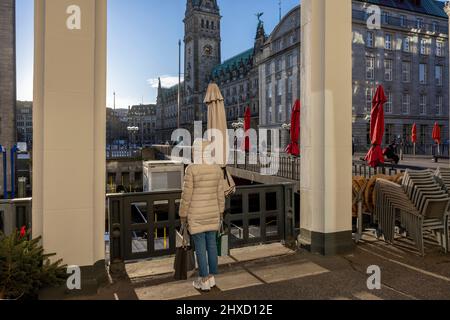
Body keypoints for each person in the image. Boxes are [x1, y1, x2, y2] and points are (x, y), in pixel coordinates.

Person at [179, 140, 225, 292]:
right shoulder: (217, 169)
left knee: (200, 246)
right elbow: (220, 194)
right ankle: (211, 277)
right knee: (211, 244)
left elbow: (186, 196)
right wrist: (221, 211)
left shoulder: (191, 169)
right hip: (213, 213)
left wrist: (182, 214)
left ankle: (203, 279)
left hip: (196, 214)